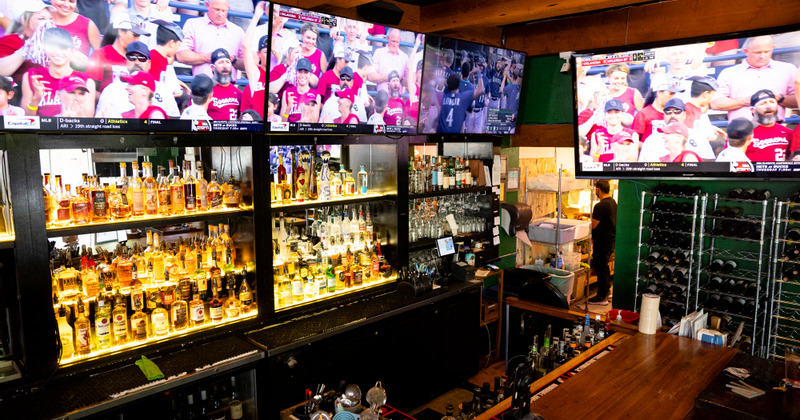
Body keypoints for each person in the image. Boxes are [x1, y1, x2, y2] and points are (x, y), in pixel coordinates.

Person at [711, 35, 798, 122]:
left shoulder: (788, 69)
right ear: (746, 51)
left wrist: (780, 98)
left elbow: (797, 101)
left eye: (767, 51)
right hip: (741, 132)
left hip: (776, 129)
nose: (762, 56)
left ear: (773, 48)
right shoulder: (729, 73)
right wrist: (745, 101)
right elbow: (716, 103)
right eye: (757, 52)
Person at [22, 27, 94, 117]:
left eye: (63, 47)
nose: (58, 52)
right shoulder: (32, 76)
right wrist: (36, 98)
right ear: (45, 49)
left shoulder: (86, 81)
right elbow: (26, 120)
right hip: (42, 130)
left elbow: (88, 120)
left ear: (72, 50)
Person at [95, 41, 179, 118]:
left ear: (149, 63)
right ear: (126, 61)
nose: (137, 62)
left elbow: (174, 120)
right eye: (132, 58)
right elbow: (99, 120)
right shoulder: (111, 89)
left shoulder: (163, 89)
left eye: (142, 58)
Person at [176, 0, 244, 79]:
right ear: (207, 5)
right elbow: (181, 55)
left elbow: (247, 65)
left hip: (229, 88)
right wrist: (208, 57)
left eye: (223, 10)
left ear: (228, 8)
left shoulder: (238, 31)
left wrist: (232, 59)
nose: (220, 14)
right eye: (217, 10)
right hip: (202, 88)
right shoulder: (193, 24)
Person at [86, 13, 149, 92]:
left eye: (139, 36)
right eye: (135, 35)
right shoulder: (100, 55)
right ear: (121, 32)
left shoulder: (140, 59)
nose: (137, 40)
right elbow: (90, 89)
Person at [588, 179, 616, 305]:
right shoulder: (613, 202)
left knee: (600, 267)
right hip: (611, 240)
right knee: (604, 267)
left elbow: (593, 225)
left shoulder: (600, 206)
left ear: (598, 189)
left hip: (602, 241)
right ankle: (607, 291)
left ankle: (601, 297)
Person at [746, 89, 793, 162]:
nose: (769, 106)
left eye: (772, 102)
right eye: (763, 103)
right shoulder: (742, 132)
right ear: (752, 109)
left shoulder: (788, 133)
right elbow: (729, 162)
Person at [632, 77, 681, 141]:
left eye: (674, 94)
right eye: (671, 94)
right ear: (659, 93)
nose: (673, 97)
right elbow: (635, 140)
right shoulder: (644, 114)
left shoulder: (674, 114)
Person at [241, 4, 267, 119]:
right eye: (266, 52)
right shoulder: (257, 74)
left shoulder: (279, 73)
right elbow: (246, 46)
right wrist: (256, 17)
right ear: (259, 54)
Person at [280, 57, 319, 123]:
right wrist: (288, 108)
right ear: (296, 73)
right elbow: (282, 123)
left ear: (310, 75)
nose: (302, 75)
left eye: (306, 72)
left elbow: (314, 123)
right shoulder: (288, 92)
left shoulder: (316, 95)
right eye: (300, 72)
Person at [370, 28, 409, 94]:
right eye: (393, 41)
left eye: (397, 42)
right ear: (388, 38)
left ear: (400, 40)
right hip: (382, 99)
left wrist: (400, 79)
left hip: (398, 99)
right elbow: (371, 76)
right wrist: (386, 77)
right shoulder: (379, 53)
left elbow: (408, 83)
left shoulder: (405, 57)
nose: (395, 44)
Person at [206, 48, 241, 120]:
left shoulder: (238, 93)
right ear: (212, 67)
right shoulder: (204, 91)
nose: (225, 66)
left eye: (228, 62)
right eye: (221, 62)